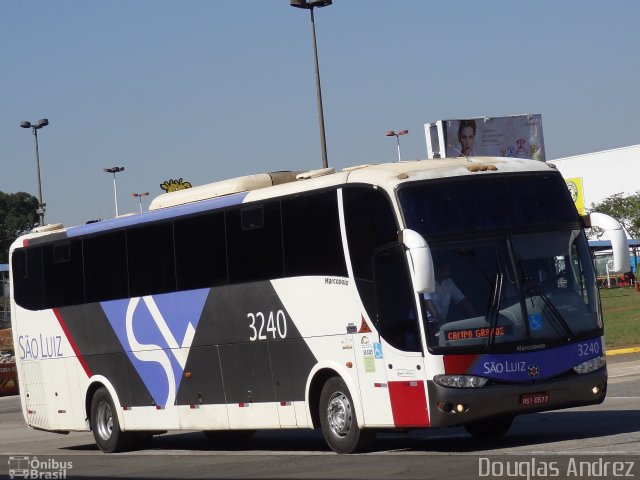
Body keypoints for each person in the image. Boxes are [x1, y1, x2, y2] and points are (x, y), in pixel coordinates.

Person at [424, 261, 475, 326]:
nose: (450, 272)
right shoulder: (426, 282)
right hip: (427, 325)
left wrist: (475, 315)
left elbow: (462, 299)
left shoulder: (449, 283)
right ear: (439, 270)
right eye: (448, 269)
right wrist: (440, 320)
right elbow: (428, 302)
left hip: (441, 324)